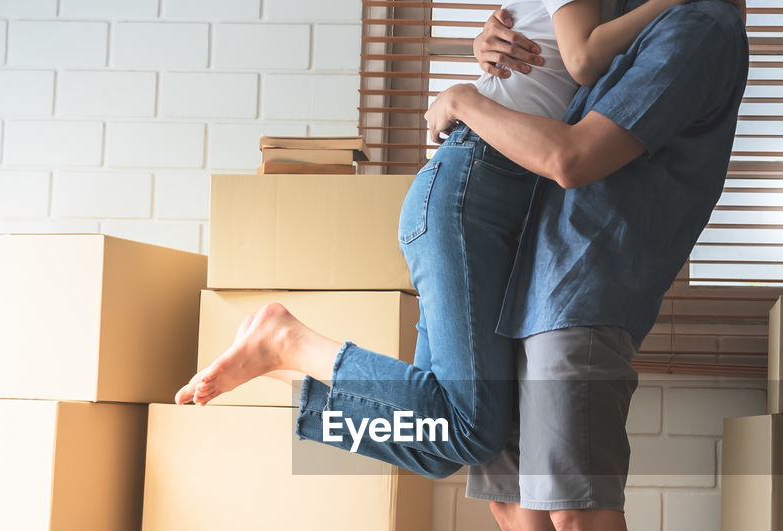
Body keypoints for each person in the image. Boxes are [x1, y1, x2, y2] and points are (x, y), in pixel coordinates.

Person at [183, 0, 749, 531]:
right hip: (534, 275)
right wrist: (495, 60)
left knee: (582, 522)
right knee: (521, 515)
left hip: (584, 292)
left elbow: (573, 156)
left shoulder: (696, 27)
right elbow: (567, 76)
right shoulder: (631, 25)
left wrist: (464, 98)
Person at [175, 0, 697, 482]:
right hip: (475, 186)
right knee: (470, 430)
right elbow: (582, 61)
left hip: (498, 193)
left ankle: (295, 377)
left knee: (439, 444)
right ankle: (286, 343)